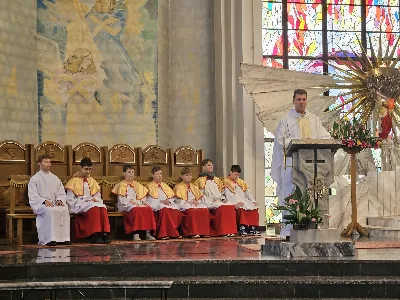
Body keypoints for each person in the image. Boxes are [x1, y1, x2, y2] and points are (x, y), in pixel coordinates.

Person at [271, 89, 331, 239]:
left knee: (311, 195)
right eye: (299, 99)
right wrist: (295, 144)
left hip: (312, 167)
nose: (302, 102)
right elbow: (280, 142)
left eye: (304, 99)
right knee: (292, 195)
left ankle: (312, 229)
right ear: (293, 101)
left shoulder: (314, 120)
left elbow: (325, 137)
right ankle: (289, 231)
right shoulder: (286, 121)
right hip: (292, 166)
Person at [65, 157, 111, 244]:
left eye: (90, 169)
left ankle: (103, 233)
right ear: (81, 168)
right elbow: (70, 199)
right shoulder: (73, 182)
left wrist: (95, 199)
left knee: (102, 207)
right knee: (94, 208)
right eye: (86, 169)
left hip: (91, 203)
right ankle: (93, 234)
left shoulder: (92, 181)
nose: (88, 172)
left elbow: (98, 196)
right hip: (79, 204)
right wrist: (85, 200)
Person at [28, 154, 70, 246]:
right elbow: (33, 195)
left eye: (49, 162)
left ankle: (64, 238)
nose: (48, 164)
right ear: (39, 163)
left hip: (54, 203)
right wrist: (43, 201)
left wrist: (59, 200)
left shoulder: (55, 178)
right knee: (49, 210)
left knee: (64, 209)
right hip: (41, 204)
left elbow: (61, 192)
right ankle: (49, 238)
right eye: (45, 162)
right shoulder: (35, 179)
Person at [112, 165, 156, 241]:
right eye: (129, 172)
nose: (131, 174)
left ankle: (148, 233)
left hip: (137, 203)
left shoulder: (137, 185)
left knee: (148, 209)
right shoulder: (121, 185)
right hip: (125, 204)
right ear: (124, 173)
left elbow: (142, 197)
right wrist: (130, 201)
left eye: (132, 172)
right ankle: (136, 233)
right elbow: (121, 199)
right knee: (136, 210)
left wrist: (143, 201)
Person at [194, 159, 237, 237]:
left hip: (219, 200)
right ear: (203, 167)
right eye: (208, 165)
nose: (211, 167)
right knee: (222, 207)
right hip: (208, 202)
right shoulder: (200, 180)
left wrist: (223, 199)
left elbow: (222, 192)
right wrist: (210, 200)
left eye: (212, 165)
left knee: (229, 205)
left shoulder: (217, 180)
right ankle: (222, 231)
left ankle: (230, 230)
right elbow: (199, 194)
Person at [173, 167, 211, 238]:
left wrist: (197, 201)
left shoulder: (194, 187)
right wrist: (187, 202)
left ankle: (204, 232)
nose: (189, 177)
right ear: (182, 176)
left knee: (204, 210)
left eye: (190, 175)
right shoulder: (178, 187)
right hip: (185, 204)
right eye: (187, 175)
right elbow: (177, 200)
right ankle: (193, 232)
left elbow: (199, 197)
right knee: (192, 211)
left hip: (194, 204)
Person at [146, 166, 182, 240]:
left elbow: (171, 197)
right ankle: (163, 233)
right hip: (157, 204)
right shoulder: (149, 186)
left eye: (161, 173)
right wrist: (161, 201)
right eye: (157, 174)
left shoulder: (165, 185)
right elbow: (149, 199)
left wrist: (169, 201)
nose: (160, 175)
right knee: (164, 209)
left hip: (167, 203)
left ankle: (173, 233)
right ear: (153, 175)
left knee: (176, 209)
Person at [222, 165, 259, 236]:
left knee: (254, 207)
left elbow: (248, 193)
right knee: (241, 208)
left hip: (243, 199)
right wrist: (236, 202)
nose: (237, 176)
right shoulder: (226, 181)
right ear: (231, 172)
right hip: (233, 200)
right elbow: (227, 194)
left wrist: (253, 200)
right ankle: (242, 227)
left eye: (238, 175)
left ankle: (252, 228)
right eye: (235, 174)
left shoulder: (241, 182)